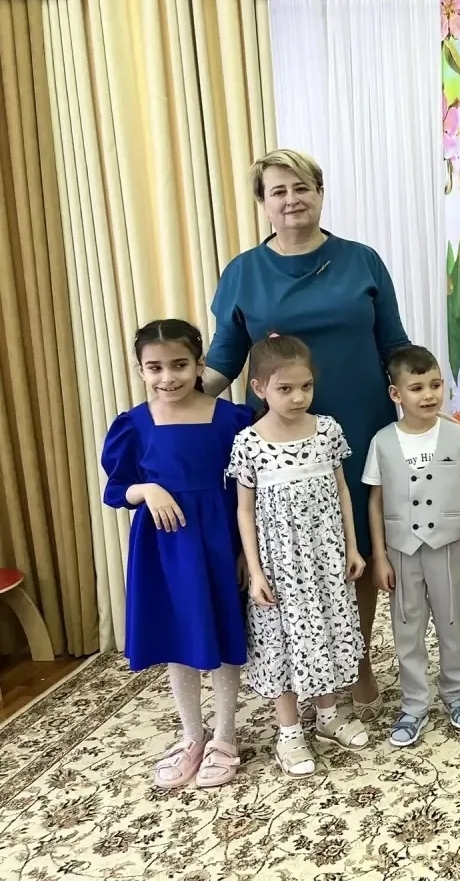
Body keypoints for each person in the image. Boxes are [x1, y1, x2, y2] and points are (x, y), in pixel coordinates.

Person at [204, 149, 411, 719]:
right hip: (279, 438)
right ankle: (300, 674)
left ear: (320, 192)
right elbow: (223, 359)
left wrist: (424, 406)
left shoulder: (362, 261)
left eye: (302, 188)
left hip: (360, 422)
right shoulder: (243, 272)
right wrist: (173, 396)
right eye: (278, 191)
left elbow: (393, 344)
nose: (291, 199)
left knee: (357, 538)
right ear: (262, 202)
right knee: (292, 550)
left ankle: (357, 660)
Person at [101, 320, 253, 789]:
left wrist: (246, 554)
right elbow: (117, 489)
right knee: (178, 637)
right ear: (140, 370)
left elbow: (250, 490)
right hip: (165, 549)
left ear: (199, 364)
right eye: (155, 368)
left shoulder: (233, 420)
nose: (168, 377)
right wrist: (147, 489)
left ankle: (225, 736)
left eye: (179, 365)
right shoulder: (133, 425)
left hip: (220, 541)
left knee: (224, 634)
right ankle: (192, 735)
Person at [228, 335, 369, 777]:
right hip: (280, 566)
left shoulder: (327, 431)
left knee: (326, 630)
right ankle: (289, 732)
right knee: (282, 641)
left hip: (326, 559)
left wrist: (352, 546)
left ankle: (328, 715)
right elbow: (244, 510)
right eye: (285, 389)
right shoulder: (249, 443)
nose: (298, 397)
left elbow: (342, 491)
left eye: (305, 387)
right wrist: (255, 572)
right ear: (259, 388)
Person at [367, 346, 460, 747]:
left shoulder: (456, 434)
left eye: (435, 385)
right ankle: (414, 704)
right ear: (396, 394)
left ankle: (456, 693)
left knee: (451, 624)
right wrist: (380, 555)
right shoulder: (383, 441)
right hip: (402, 550)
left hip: (448, 545)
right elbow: (375, 501)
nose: (428, 395)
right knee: (407, 630)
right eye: (416, 387)